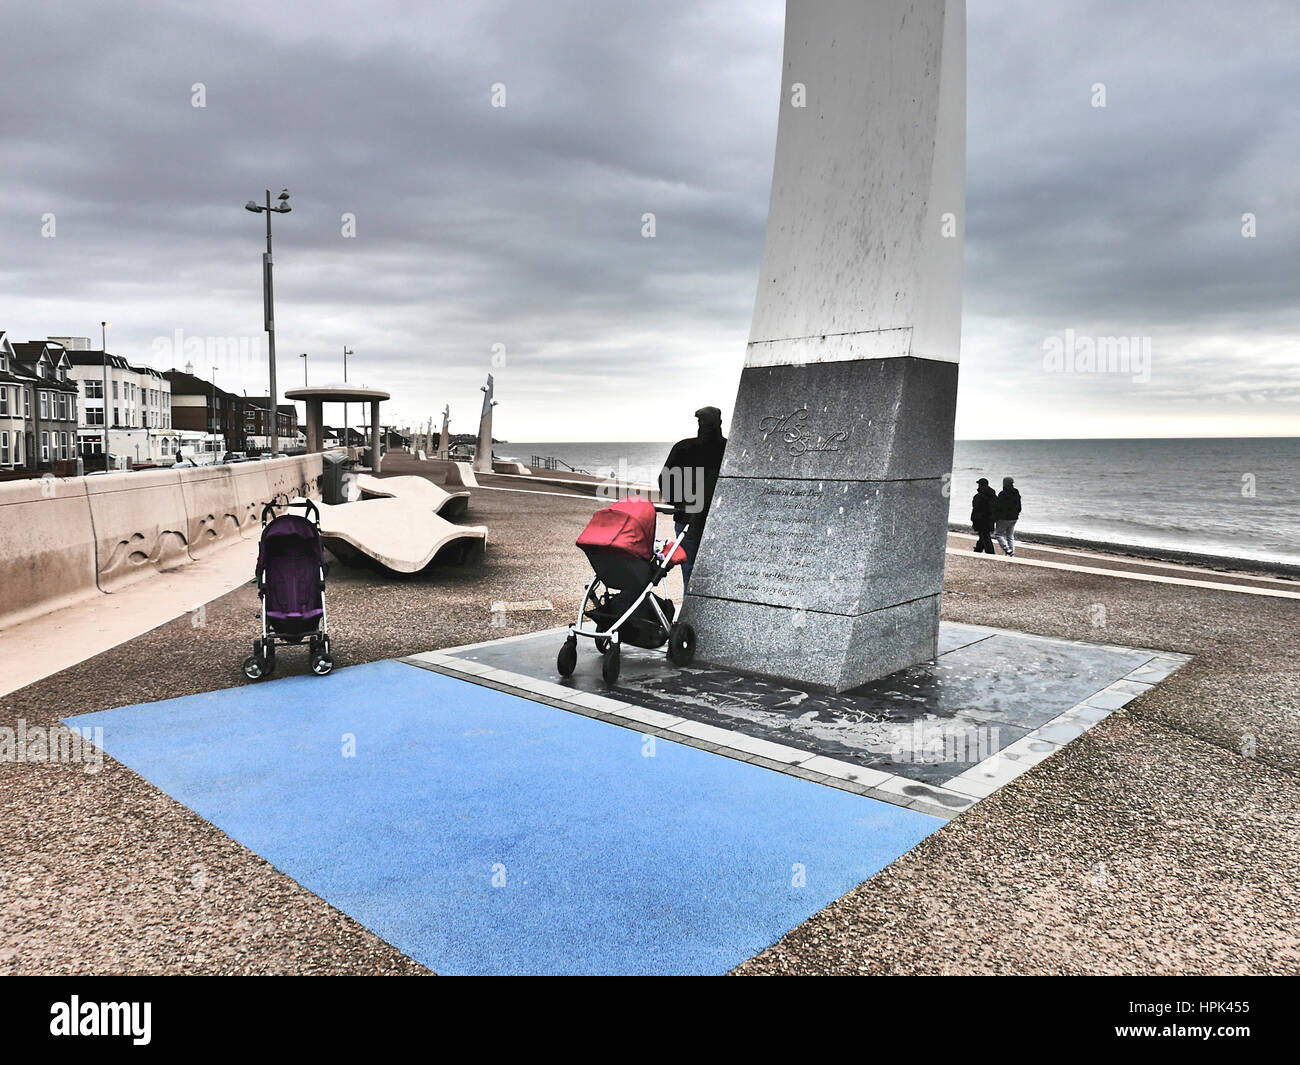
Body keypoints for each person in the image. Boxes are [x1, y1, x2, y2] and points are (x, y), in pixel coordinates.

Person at [659, 406, 727, 589]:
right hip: (719, 521)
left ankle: (691, 612)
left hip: (688, 518)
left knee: (690, 572)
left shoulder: (684, 447)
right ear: (719, 423)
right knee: (717, 573)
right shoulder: (728, 449)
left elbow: (664, 483)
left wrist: (682, 502)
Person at [994, 476, 1021, 556]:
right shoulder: (1016, 492)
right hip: (1014, 517)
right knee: (1010, 536)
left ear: (1004, 483)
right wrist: (1017, 513)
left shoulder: (1002, 494)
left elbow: (999, 507)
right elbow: (1019, 505)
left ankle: (1007, 549)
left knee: (998, 534)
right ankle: (1011, 553)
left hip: (1004, 518)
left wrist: (997, 517)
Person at [970, 477, 997, 553]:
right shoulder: (993, 496)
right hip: (990, 519)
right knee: (984, 535)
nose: (978, 486)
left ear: (981, 485)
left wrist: (973, 519)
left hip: (981, 519)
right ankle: (978, 549)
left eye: (979, 484)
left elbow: (976, 508)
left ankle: (990, 552)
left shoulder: (978, 496)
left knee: (984, 536)